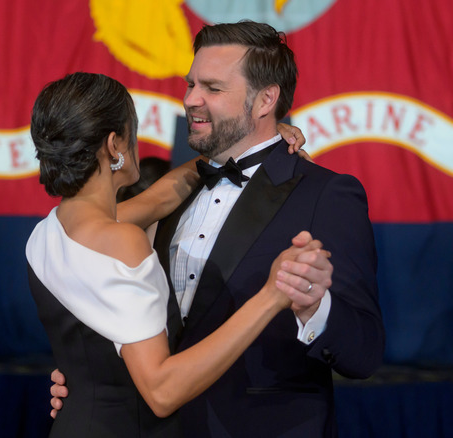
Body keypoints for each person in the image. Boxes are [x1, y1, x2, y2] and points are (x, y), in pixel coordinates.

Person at [50, 21, 385, 438]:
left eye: (212, 88)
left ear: (265, 100)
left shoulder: (326, 194)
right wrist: (95, 376)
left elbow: (365, 352)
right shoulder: (176, 189)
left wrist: (314, 308)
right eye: (191, 84)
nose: (191, 99)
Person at [26, 71, 332, 437]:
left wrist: (255, 145)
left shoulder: (48, 232)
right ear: (113, 145)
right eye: (132, 131)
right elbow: (161, 392)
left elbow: (163, 195)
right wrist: (271, 295)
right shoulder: (120, 240)